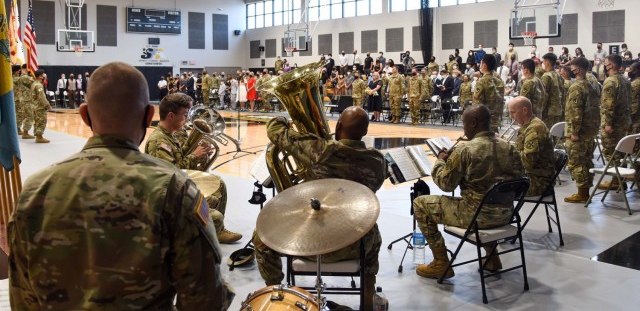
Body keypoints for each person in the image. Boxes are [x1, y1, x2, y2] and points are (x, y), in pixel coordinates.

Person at [8, 62, 234, 310]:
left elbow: (22, 297)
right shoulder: (173, 187)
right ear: (149, 116)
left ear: (84, 116)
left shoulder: (34, 190)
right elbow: (205, 299)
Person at [253, 107, 386, 310]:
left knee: (261, 238)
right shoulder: (378, 160)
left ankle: (278, 294)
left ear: (338, 125)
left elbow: (275, 130)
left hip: (310, 244)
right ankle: (368, 295)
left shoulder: (321, 150)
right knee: (373, 231)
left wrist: (286, 120)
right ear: (365, 132)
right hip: (355, 245)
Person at [412, 104, 524, 279]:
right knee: (487, 200)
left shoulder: (465, 150)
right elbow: (520, 181)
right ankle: (492, 258)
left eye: (464, 123)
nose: (463, 128)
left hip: (476, 216)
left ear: (473, 123)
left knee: (420, 203)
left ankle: (441, 263)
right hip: (506, 214)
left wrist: (441, 162)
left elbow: (445, 184)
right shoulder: (510, 147)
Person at [145, 93, 242, 244]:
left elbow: (179, 159)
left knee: (219, 185)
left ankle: (218, 230)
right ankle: (207, 227)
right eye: (185, 115)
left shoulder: (169, 136)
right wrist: (194, 156)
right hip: (169, 200)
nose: (188, 119)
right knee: (215, 216)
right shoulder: (159, 142)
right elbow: (172, 175)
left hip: (178, 190)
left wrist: (199, 153)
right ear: (171, 116)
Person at [564, 57, 600, 203]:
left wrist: (574, 132)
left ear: (577, 70)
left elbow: (575, 112)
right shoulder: (591, 85)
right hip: (589, 130)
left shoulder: (576, 87)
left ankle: (582, 193)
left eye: (572, 68)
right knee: (586, 161)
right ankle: (585, 191)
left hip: (578, 131)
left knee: (576, 162)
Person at [597, 54, 632, 190]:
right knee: (621, 152)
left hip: (613, 124)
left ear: (610, 65)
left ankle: (617, 181)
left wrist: (607, 123)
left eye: (606, 63)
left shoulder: (610, 81)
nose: (605, 66)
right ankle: (619, 179)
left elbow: (608, 105)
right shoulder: (625, 80)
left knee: (612, 152)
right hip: (623, 122)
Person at [508, 96, 555, 196]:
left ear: (524, 110)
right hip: (530, 177)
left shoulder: (534, 128)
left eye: (513, 112)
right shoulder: (528, 125)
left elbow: (528, 162)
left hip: (537, 183)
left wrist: (506, 151)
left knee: (490, 186)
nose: (511, 116)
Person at [473, 54, 504, 133]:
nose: (480, 65)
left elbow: (477, 106)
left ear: (484, 65)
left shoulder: (481, 82)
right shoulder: (499, 82)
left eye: (481, 63)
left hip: (484, 124)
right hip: (495, 121)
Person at [22, 69, 51, 143]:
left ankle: (38, 136)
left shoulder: (34, 84)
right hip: (40, 107)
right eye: (43, 75)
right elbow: (42, 97)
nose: (44, 76)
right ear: (40, 76)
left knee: (37, 122)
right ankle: (39, 137)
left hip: (34, 106)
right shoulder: (38, 85)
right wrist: (48, 105)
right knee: (41, 121)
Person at [540, 53, 565, 128]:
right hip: (557, 110)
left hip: (548, 111)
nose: (542, 63)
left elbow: (544, 95)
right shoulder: (558, 75)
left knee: (547, 134)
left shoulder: (546, 76)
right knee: (555, 134)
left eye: (543, 61)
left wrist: (541, 110)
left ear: (547, 62)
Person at [629, 62, 640, 134]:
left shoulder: (635, 84)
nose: (629, 71)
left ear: (636, 71)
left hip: (635, 120)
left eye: (630, 69)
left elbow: (633, 104)